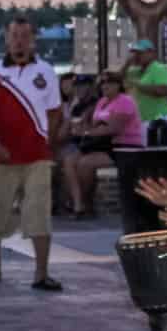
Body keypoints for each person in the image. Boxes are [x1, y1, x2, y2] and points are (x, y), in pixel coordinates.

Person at [0, 16, 64, 291]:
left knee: (39, 213)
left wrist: (47, 142)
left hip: (36, 157)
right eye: (14, 35)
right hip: (1, 158)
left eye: (24, 35)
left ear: (33, 39)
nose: (19, 41)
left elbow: (55, 113)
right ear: (6, 39)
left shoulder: (47, 72)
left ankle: (41, 274)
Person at [63, 70, 141, 219]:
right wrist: (86, 129)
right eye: (103, 82)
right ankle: (78, 203)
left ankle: (86, 204)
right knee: (69, 160)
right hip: (102, 144)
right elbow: (95, 125)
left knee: (85, 163)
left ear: (119, 85)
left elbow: (114, 128)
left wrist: (86, 132)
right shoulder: (102, 102)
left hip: (123, 146)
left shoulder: (125, 101)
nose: (105, 85)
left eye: (110, 82)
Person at [126, 39, 167, 145]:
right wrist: (127, 63)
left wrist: (138, 85)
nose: (137, 56)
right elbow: (117, 77)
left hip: (159, 121)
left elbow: (163, 91)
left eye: (140, 53)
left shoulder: (158, 68)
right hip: (142, 121)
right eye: (135, 53)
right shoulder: (134, 71)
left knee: (162, 157)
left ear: (151, 53)